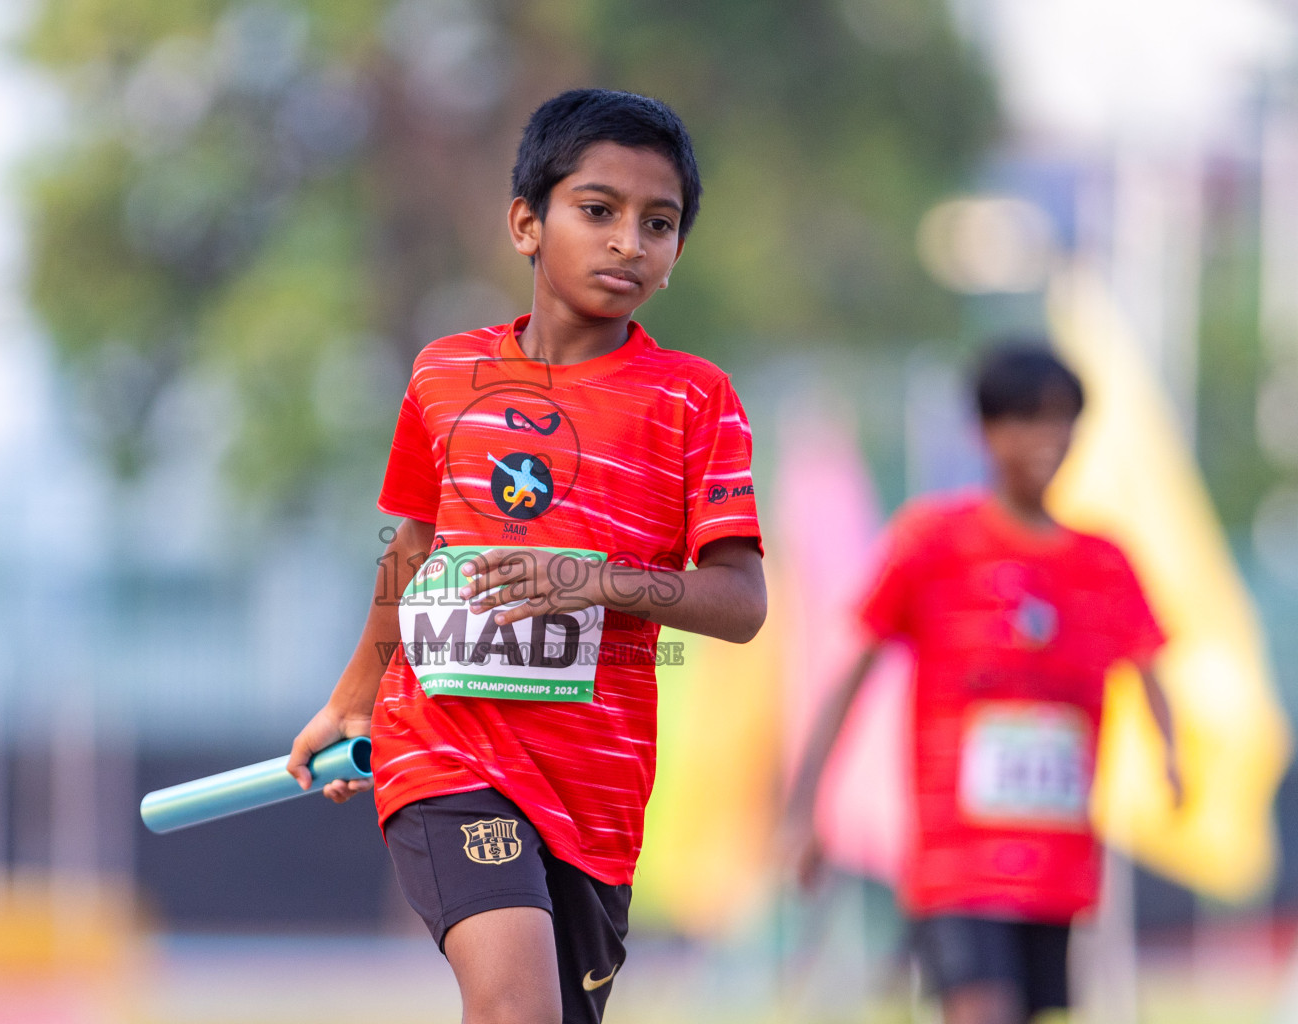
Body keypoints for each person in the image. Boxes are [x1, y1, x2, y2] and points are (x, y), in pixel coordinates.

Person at [285, 89, 767, 1024]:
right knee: (516, 1009)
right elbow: (418, 548)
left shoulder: (696, 403)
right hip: (446, 749)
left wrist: (592, 580)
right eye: (599, 211)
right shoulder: (442, 374)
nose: (629, 241)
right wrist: (350, 699)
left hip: (596, 795)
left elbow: (741, 602)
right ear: (526, 224)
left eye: (658, 224)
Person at [784, 343, 1181, 1024]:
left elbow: (1150, 670)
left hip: (1058, 869)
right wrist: (804, 807)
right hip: (956, 865)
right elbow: (851, 675)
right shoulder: (933, 544)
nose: (1045, 441)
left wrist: (1172, 758)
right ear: (985, 431)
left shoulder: (1105, 563)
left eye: (1061, 421)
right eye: (1023, 420)